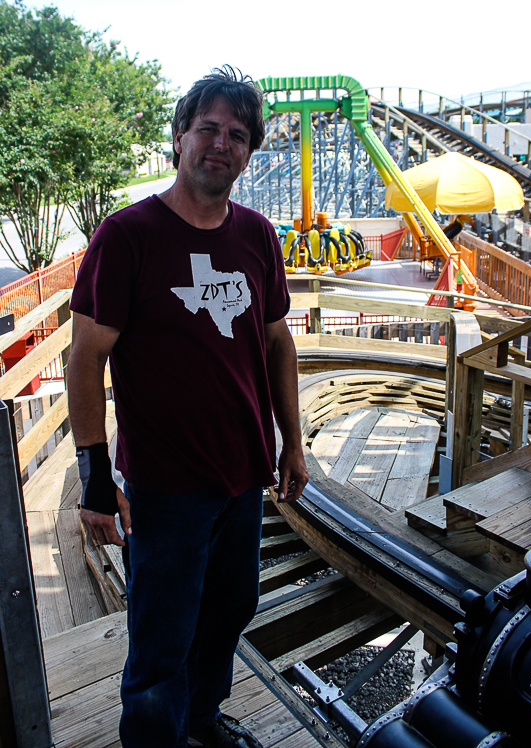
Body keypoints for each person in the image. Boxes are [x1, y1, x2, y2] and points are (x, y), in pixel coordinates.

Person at [67, 66, 309, 748]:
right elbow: (85, 358)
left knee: (230, 611)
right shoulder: (129, 235)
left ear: (249, 151)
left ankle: (202, 722)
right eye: (208, 129)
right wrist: (93, 480)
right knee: (160, 642)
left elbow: (276, 342)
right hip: (166, 488)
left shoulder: (258, 237)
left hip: (243, 477)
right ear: (179, 137)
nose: (221, 145)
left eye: (237, 135)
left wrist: (293, 443)